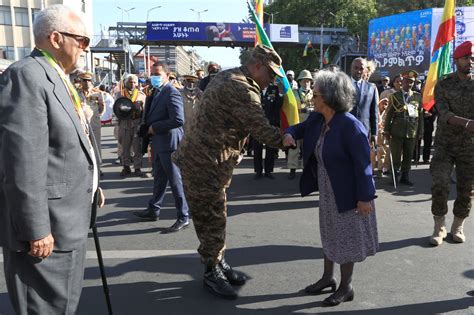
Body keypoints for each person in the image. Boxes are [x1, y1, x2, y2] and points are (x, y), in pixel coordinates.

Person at [0, 5, 104, 314]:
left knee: (63, 305)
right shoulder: (27, 76)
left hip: (68, 219)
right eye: (82, 40)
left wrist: (92, 184)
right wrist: (35, 228)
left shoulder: (56, 76)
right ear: (56, 38)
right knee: (43, 308)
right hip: (48, 231)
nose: (85, 48)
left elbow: (68, 144)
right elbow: (23, 161)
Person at [173, 45, 287, 299]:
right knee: (211, 216)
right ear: (257, 66)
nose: (273, 80)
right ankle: (212, 271)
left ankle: (217, 262)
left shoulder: (229, 75)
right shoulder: (241, 88)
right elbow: (260, 128)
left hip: (209, 159)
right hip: (205, 162)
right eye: (270, 73)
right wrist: (288, 140)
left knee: (215, 212)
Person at [284, 69, 378, 306]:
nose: (311, 98)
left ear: (327, 97)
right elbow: (298, 128)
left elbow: (364, 166)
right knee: (330, 234)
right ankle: (328, 278)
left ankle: (346, 287)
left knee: (347, 240)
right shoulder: (318, 118)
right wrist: (288, 133)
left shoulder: (351, 126)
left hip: (349, 193)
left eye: (314, 94)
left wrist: (365, 198)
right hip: (328, 191)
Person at [134, 61, 190, 233]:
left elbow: (178, 120)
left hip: (169, 143)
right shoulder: (157, 92)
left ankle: (183, 216)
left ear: (167, 75)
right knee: (159, 179)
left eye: (158, 74)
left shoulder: (171, 92)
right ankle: (154, 209)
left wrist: (154, 127)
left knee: (175, 181)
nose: (154, 77)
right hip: (159, 143)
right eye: (153, 73)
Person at [429, 41, 474, 246]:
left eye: (472, 58)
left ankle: (457, 225)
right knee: (440, 184)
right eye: (466, 58)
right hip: (445, 145)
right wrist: (467, 123)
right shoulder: (444, 83)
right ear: (456, 60)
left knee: (467, 189)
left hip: (469, 147)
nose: (470, 62)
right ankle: (439, 226)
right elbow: (444, 113)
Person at [383, 70, 423, 186]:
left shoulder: (417, 97)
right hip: (397, 130)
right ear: (402, 82)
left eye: (411, 82)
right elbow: (389, 113)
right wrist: (386, 129)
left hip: (411, 131)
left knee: (408, 154)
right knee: (396, 155)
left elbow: (420, 115)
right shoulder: (395, 96)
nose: (409, 84)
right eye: (406, 81)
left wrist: (420, 131)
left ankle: (405, 176)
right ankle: (394, 176)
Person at [114, 74, 146, 177]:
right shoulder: (120, 94)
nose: (132, 84)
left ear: (137, 83)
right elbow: (116, 109)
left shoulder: (142, 95)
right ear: (125, 83)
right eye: (130, 82)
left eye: (134, 82)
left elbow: (145, 111)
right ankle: (126, 167)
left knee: (137, 147)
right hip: (124, 123)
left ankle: (137, 168)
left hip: (137, 123)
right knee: (125, 147)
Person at [253, 83, 283, 180]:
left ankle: (268, 170)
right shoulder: (254, 87)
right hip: (257, 123)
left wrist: (281, 95)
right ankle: (258, 171)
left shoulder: (274, 89)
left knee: (270, 149)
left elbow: (278, 106)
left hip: (271, 123)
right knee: (257, 149)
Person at [288, 69, 313, 179]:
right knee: (294, 147)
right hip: (297, 120)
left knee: (307, 146)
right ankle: (292, 169)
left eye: (308, 81)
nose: (306, 83)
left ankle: (305, 168)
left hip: (310, 121)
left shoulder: (315, 93)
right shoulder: (294, 93)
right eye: (304, 81)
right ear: (300, 81)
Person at [350, 57, 379, 142]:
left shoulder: (371, 87)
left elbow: (374, 112)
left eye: (361, 69)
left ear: (365, 70)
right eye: (356, 68)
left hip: (364, 131)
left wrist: (374, 133)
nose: (358, 71)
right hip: (345, 130)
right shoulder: (342, 84)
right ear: (351, 68)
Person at [77, 72, 105, 159]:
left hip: (94, 123)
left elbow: (102, 109)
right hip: (81, 124)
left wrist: (97, 115)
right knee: (83, 147)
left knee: (96, 146)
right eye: (85, 80)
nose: (87, 83)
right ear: (81, 81)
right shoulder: (76, 93)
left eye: (89, 80)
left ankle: (98, 168)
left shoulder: (97, 94)